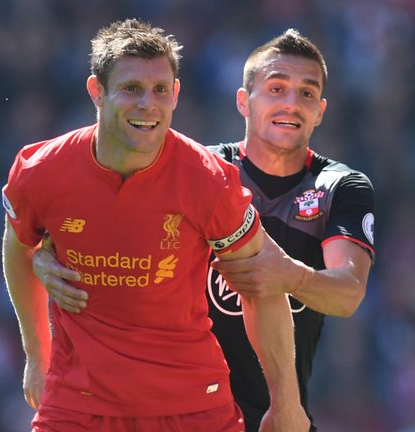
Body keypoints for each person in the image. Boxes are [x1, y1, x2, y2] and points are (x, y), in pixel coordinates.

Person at [33, 28, 376, 431]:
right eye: (276, 88)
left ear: (321, 110)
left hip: (279, 414)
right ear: (243, 102)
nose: (290, 103)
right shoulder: (202, 173)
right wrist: (45, 255)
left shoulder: (340, 186)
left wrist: (289, 276)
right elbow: (102, 220)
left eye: (306, 94)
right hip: (178, 411)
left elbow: (348, 294)